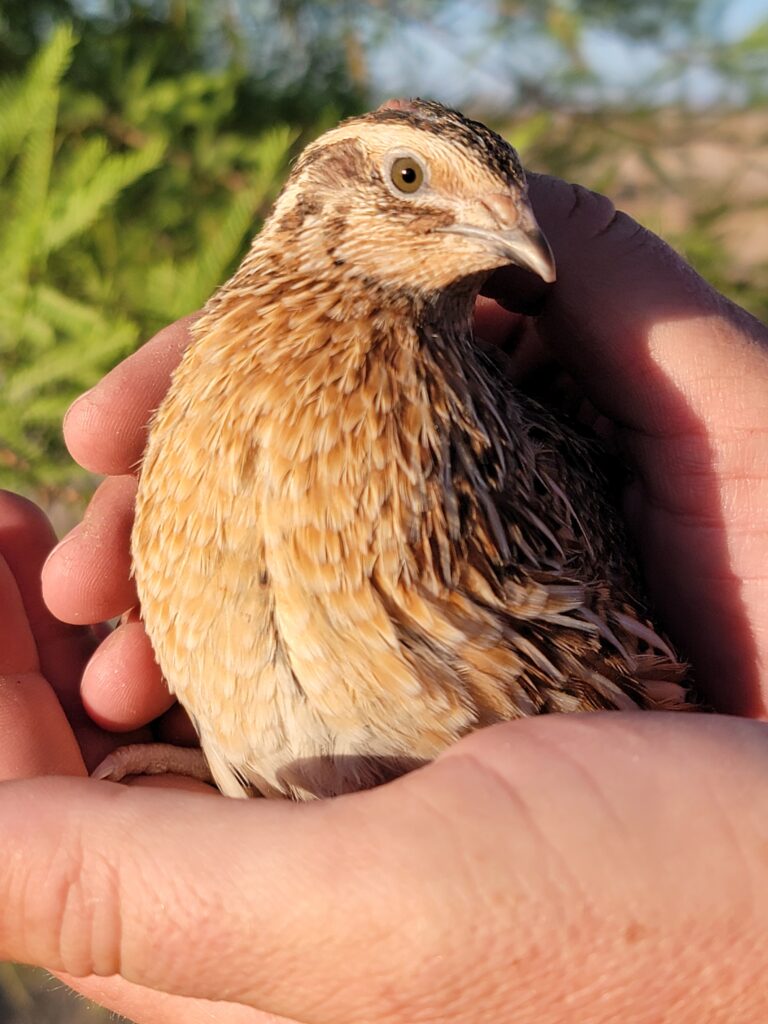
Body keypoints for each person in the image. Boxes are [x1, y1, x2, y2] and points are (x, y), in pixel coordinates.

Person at [1, 173, 767, 1024]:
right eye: (409, 179)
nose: (495, 216)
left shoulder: (513, 468)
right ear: (318, 196)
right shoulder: (205, 399)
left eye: (508, 199)